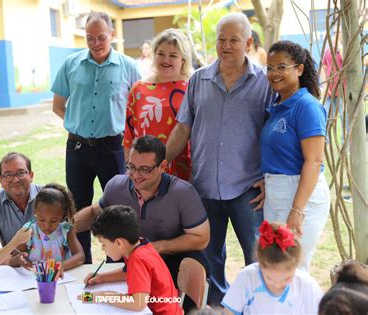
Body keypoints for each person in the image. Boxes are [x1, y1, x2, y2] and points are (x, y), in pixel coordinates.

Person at [166, 12, 274, 305]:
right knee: (209, 257)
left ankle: (260, 306)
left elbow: (274, 133)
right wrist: (162, 160)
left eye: (234, 40)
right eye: (221, 40)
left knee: (257, 254)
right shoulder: (199, 80)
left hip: (247, 187)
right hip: (204, 187)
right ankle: (214, 307)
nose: (225, 46)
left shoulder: (264, 83)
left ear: (248, 43)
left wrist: (269, 177)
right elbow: (183, 127)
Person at [51, 11, 140, 264]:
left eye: (101, 37)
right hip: (77, 147)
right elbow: (58, 105)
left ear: (111, 35)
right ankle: (83, 261)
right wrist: (75, 123)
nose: (96, 44)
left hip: (113, 147)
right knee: (77, 207)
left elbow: (137, 108)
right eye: (90, 38)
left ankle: (118, 264)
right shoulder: (71, 64)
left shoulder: (129, 67)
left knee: (115, 207)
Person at [75, 135, 209, 284]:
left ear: (163, 166)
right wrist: (63, 227)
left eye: (144, 169)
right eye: (131, 167)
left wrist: (156, 247)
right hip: (125, 269)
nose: (136, 175)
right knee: (88, 298)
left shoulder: (183, 193)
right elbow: (96, 212)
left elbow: (201, 238)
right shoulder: (116, 186)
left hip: (169, 271)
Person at [262, 40, 329, 272]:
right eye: (269, 68)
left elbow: (314, 160)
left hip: (302, 197)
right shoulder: (277, 104)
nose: (274, 73)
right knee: (275, 267)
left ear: (299, 69)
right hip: (276, 196)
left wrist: (297, 210)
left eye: (281, 67)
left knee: (294, 269)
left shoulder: (307, 106)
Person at [84, 205, 183, 315]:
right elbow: (130, 273)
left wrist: (103, 296)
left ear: (119, 243)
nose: (103, 249)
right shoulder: (141, 246)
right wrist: (101, 278)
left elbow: (138, 303)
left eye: (104, 244)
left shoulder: (138, 259)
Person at [124, 29, 192, 180]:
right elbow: (129, 134)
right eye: (161, 54)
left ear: (183, 60)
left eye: (173, 55)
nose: (165, 60)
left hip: (184, 168)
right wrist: (130, 169)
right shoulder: (138, 88)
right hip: (144, 170)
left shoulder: (193, 87)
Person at [222, 221, 323, 314]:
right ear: (260, 264)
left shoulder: (307, 286)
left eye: (287, 279)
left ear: (296, 265)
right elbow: (229, 312)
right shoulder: (247, 277)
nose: (278, 285)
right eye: (269, 278)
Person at [0, 152, 42, 266]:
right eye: (8, 175)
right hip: (14, 271)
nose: (16, 180)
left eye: (21, 173)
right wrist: (12, 261)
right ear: (1, 181)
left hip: (51, 266)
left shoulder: (47, 196)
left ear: (31, 175)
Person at [17, 183, 85, 270]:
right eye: (41, 220)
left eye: (53, 221)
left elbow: (80, 257)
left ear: (62, 215)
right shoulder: (29, 230)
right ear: (35, 212)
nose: (47, 226)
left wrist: (58, 267)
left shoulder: (66, 229)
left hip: (60, 277)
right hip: (34, 277)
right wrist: (24, 261)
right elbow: (17, 255)